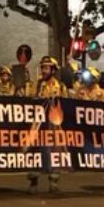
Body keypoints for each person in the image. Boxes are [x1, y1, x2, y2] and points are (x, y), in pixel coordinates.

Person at [27, 56, 68, 194]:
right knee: (35, 152)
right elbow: (29, 101)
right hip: (37, 127)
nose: (43, 71)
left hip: (54, 127)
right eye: (42, 67)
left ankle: (53, 181)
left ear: (53, 70)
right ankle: (33, 181)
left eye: (46, 68)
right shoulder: (37, 85)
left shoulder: (60, 86)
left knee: (55, 152)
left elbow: (67, 105)